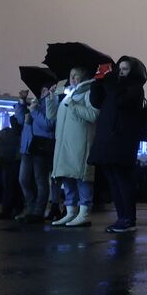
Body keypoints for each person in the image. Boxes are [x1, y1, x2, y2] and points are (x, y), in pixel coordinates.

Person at [89, 57, 147, 234]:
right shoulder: (113, 86)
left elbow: (121, 102)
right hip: (107, 139)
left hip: (122, 140)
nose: (121, 71)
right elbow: (96, 102)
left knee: (123, 180)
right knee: (113, 180)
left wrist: (109, 82)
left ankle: (129, 218)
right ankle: (121, 217)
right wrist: (97, 82)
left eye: (125, 69)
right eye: (119, 68)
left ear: (134, 71)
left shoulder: (135, 88)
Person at [47, 70, 101, 228]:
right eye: (70, 75)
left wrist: (73, 104)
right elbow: (51, 116)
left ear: (84, 77)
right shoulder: (68, 95)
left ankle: (83, 213)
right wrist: (51, 98)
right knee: (67, 176)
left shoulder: (89, 93)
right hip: (64, 143)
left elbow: (93, 115)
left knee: (82, 177)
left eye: (76, 75)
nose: (71, 78)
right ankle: (70, 211)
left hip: (80, 143)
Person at [14, 89, 56, 223]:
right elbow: (20, 120)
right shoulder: (35, 103)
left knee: (40, 180)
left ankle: (38, 212)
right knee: (23, 179)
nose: (42, 92)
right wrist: (21, 102)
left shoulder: (51, 103)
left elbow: (48, 124)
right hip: (27, 147)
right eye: (41, 90)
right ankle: (31, 209)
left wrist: (34, 111)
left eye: (44, 89)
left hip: (41, 146)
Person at [0, 122, 22, 220]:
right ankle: (14, 209)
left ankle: (7, 209)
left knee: (7, 187)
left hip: (7, 163)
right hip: (12, 162)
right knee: (12, 187)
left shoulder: (6, 134)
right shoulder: (14, 134)